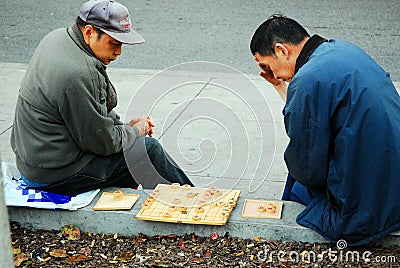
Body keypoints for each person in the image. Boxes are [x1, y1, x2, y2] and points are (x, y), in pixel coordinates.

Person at [11, 0, 193, 196]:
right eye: (114, 43)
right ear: (89, 32)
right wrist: (136, 131)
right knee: (148, 152)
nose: (118, 52)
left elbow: (93, 111)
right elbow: (102, 143)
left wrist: (123, 129)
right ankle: (192, 203)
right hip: (52, 175)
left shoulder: (57, 38)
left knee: (134, 148)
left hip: (35, 160)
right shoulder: (79, 74)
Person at [250, 14, 400, 246]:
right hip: (393, 185)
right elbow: (314, 115)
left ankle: (288, 243)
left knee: (297, 178)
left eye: (267, 66)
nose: (275, 74)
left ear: (281, 50)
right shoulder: (342, 50)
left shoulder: (308, 79)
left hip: (368, 209)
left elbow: (309, 170)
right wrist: (280, 86)